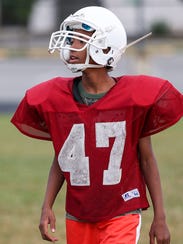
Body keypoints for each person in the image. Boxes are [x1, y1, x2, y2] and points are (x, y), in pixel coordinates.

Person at [11, 6, 183, 244]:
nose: (71, 47)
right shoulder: (59, 97)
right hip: (78, 214)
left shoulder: (132, 99)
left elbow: (146, 159)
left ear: (104, 47)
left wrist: (160, 217)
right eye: (70, 40)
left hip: (122, 211)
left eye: (79, 41)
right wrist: (47, 205)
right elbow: (64, 158)